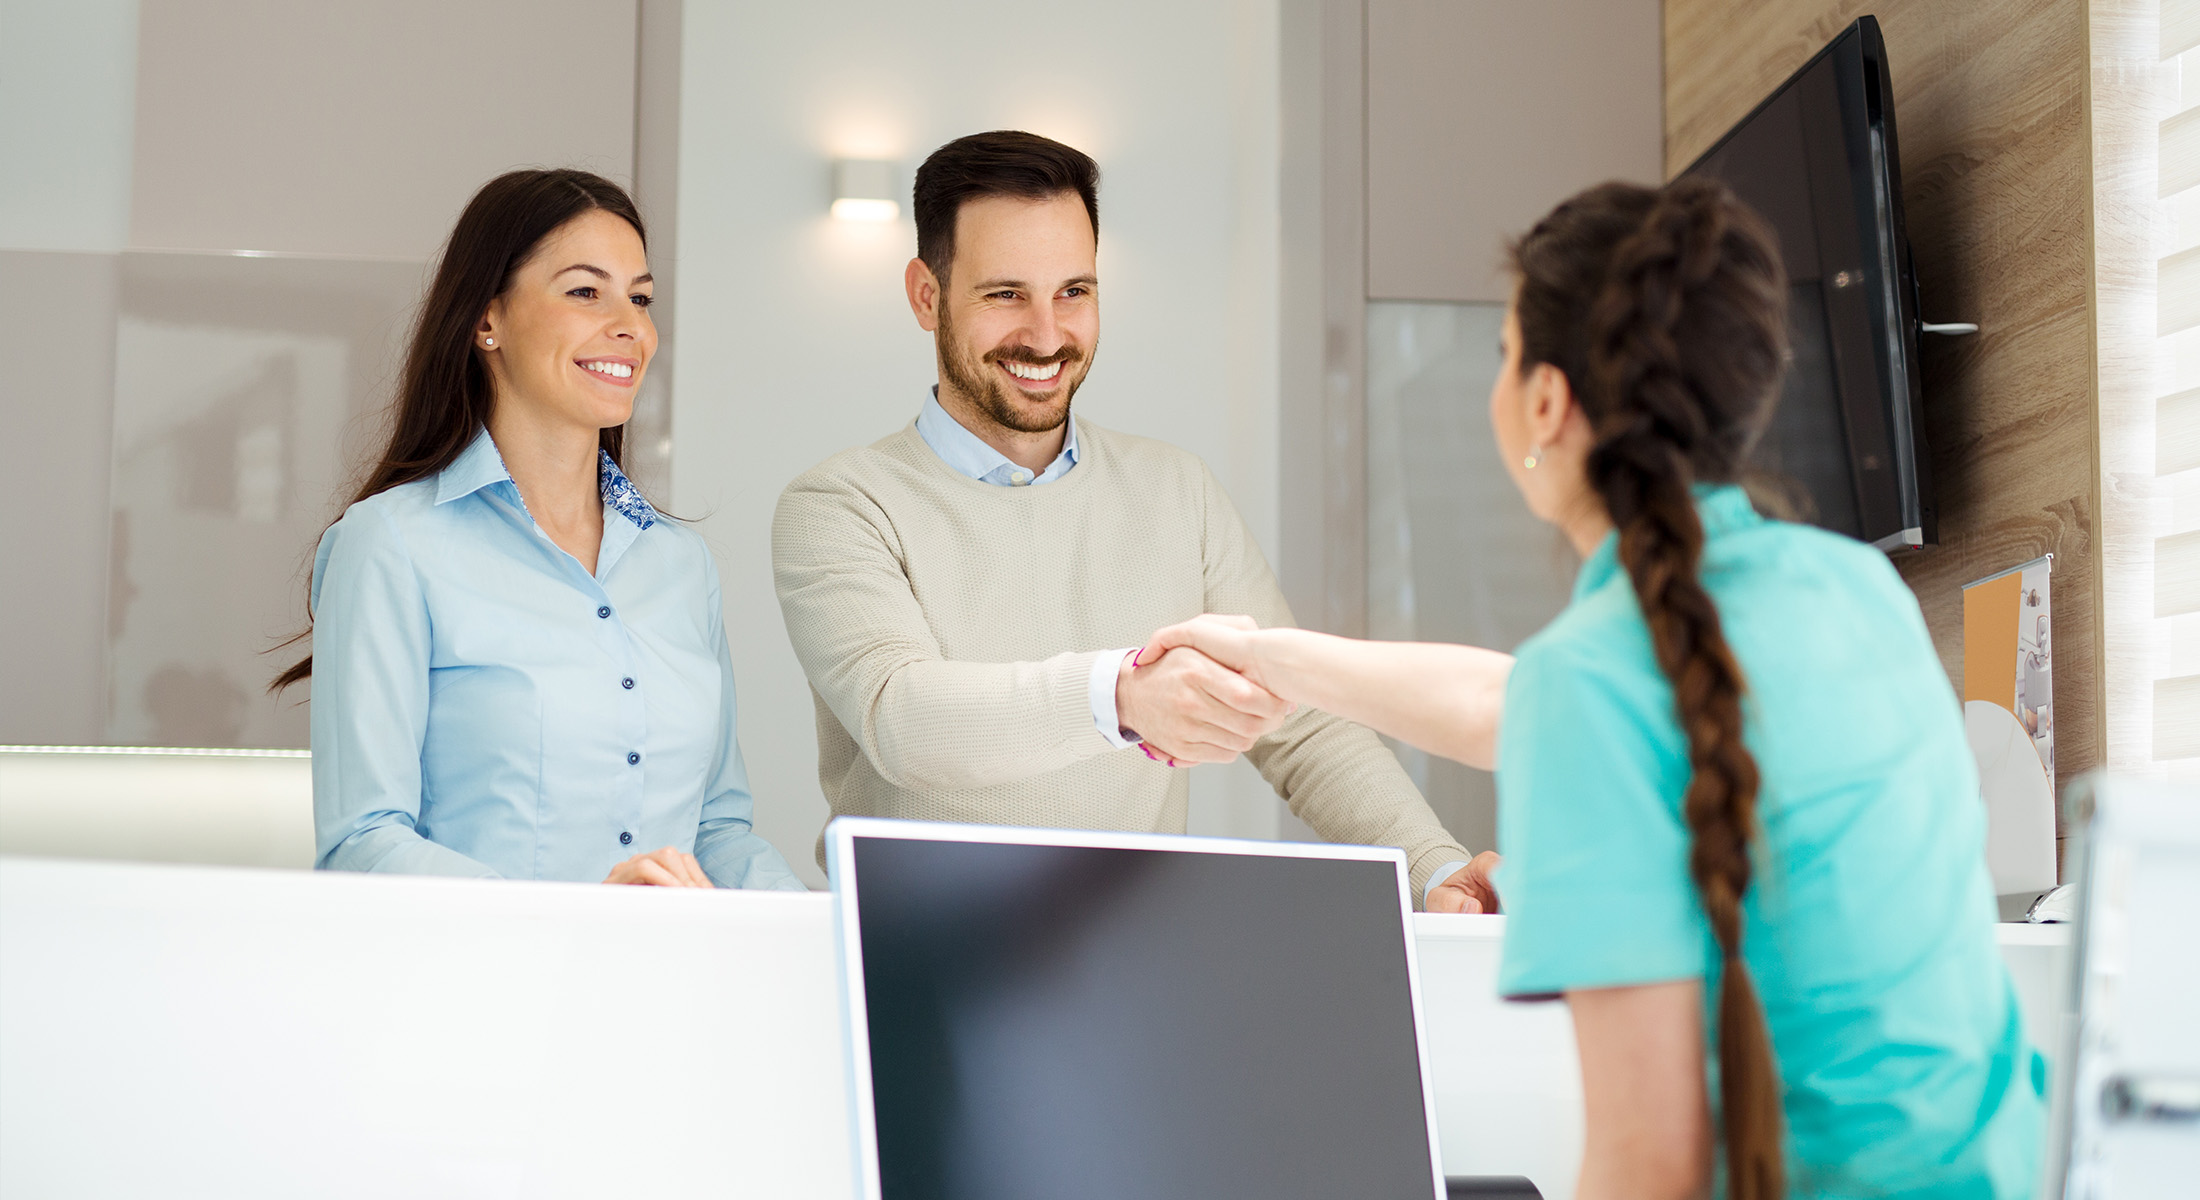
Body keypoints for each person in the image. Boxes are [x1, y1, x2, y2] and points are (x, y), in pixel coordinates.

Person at [1141, 180, 2044, 1198]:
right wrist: (1268, 655)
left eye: (1505, 352)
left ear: (1544, 402)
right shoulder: (1855, 589)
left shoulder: (1598, 679)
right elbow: (1513, 704)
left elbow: (1643, 1167)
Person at [771, 130, 1497, 910]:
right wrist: (1119, 696)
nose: (1047, 336)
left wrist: (1432, 866)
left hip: (1131, 958)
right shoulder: (841, 505)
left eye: (1073, 292)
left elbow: (1300, 722)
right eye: (1005, 294)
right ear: (925, 294)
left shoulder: (1177, 491)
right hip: (913, 959)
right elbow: (903, 718)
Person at [276, 169, 804, 892]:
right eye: (586, 291)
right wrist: (574, 920)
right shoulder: (390, 544)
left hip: (668, 990)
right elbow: (363, 843)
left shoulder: (680, 565)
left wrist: (816, 925)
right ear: (486, 318)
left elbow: (715, 830)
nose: (632, 326)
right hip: (487, 993)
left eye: (641, 298)